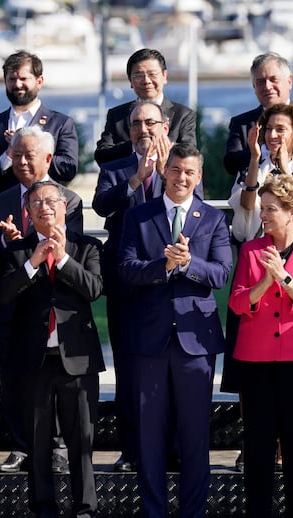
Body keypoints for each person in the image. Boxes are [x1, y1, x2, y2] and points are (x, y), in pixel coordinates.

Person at [118, 144, 232, 518]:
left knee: (195, 434)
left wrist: (187, 264)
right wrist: (162, 266)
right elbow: (126, 270)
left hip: (195, 342)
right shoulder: (138, 216)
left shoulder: (213, 219)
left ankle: (193, 512)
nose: (182, 178)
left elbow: (220, 274)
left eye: (190, 173)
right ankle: (154, 511)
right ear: (165, 170)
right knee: (149, 436)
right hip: (149, 341)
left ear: (199, 177)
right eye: (176, 170)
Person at [92, 100, 203, 474]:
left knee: (169, 369)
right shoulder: (115, 168)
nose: (144, 130)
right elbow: (103, 205)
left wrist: (170, 173)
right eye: (136, 123)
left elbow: (198, 210)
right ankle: (131, 449)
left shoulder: (182, 165)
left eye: (151, 122)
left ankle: (170, 448)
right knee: (128, 370)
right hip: (127, 284)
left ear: (166, 125)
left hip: (168, 286)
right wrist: (137, 179)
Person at [0, 180, 104, 517]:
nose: (45, 207)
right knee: (38, 443)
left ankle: (85, 509)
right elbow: (2, 295)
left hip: (77, 359)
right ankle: (43, 509)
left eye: (51, 201)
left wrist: (62, 260)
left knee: (81, 444)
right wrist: (32, 263)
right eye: (37, 203)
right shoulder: (16, 251)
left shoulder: (86, 247)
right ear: (28, 212)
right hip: (34, 361)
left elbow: (94, 289)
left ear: (65, 207)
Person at [228, 174, 293, 517]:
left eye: (271, 209)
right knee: (258, 449)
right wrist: (265, 281)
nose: (264, 215)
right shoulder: (250, 250)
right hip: (256, 363)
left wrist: (284, 278)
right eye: (262, 208)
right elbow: (239, 303)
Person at [0, 125, 83, 475]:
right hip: (10, 304)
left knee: (50, 382)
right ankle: (20, 446)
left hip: (46, 307)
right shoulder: (0, 198)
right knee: (11, 380)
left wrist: (25, 242)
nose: (22, 162)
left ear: (47, 158)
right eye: (16, 155)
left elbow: (68, 245)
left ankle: (55, 448)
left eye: (29, 155)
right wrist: (7, 243)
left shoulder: (67, 200)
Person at [0, 50, 78, 200]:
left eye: (23, 78)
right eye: (12, 79)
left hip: (44, 213)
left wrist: (32, 150)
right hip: (2, 215)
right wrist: (6, 157)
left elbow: (68, 169)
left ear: (39, 81)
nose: (17, 84)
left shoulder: (60, 123)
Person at [229, 103, 293, 242]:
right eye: (269, 129)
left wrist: (286, 171)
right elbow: (247, 207)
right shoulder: (250, 169)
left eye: (280, 129)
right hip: (259, 250)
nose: (272, 135)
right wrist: (254, 159)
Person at [223, 52, 293, 177]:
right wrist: (262, 152)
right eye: (261, 82)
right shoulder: (242, 123)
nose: (267, 87)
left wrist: (287, 148)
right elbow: (231, 163)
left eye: (273, 80)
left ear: (289, 82)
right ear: (254, 87)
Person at [94, 48, 196, 166]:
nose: (146, 81)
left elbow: (189, 154)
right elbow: (102, 155)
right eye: (138, 75)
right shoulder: (117, 115)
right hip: (129, 182)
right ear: (130, 81)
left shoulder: (183, 114)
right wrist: (136, 144)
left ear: (164, 76)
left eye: (152, 74)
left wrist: (158, 144)